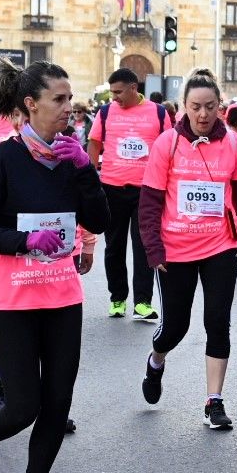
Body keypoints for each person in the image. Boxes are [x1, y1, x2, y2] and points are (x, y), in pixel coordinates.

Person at [0, 61, 108, 473]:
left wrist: (84, 169)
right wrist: (24, 242)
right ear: (30, 104)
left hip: (63, 295)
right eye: (59, 100)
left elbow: (98, 220)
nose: (69, 108)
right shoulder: (1, 159)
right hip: (14, 298)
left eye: (70, 98)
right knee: (24, 404)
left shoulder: (71, 160)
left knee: (58, 401)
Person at [137, 72, 237, 429]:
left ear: (220, 106)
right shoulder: (167, 144)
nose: (203, 114)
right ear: (183, 108)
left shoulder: (235, 145)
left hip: (220, 245)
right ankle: (156, 360)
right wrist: (153, 249)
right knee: (175, 327)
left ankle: (214, 401)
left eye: (210, 106)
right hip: (174, 249)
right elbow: (149, 202)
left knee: (217, 322)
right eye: (196, 107)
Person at [88, 67, 169, 322]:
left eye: (118, 92)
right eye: (112, 92)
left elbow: (169, 145)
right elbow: (94, 143)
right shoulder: (105, 112)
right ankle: (117, 298)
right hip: (112, 188)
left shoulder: (158, 112)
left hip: (146, 191)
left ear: (134, 88)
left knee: (144, 246)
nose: (114, 97)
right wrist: (92, 177)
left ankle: (143, 303)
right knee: (114, 246)